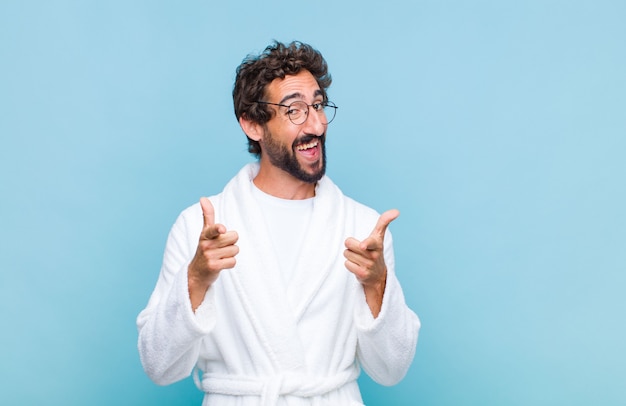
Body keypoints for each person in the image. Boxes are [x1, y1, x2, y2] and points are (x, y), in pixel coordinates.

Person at [136, 40, 420, 406]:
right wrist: (195, 280)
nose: (316, 124)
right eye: (295, 110)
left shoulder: (363, 228)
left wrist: (378, 284)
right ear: (253, 124)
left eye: (318, 105)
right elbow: (159, 367)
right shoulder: (198, 228)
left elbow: (392, 370)